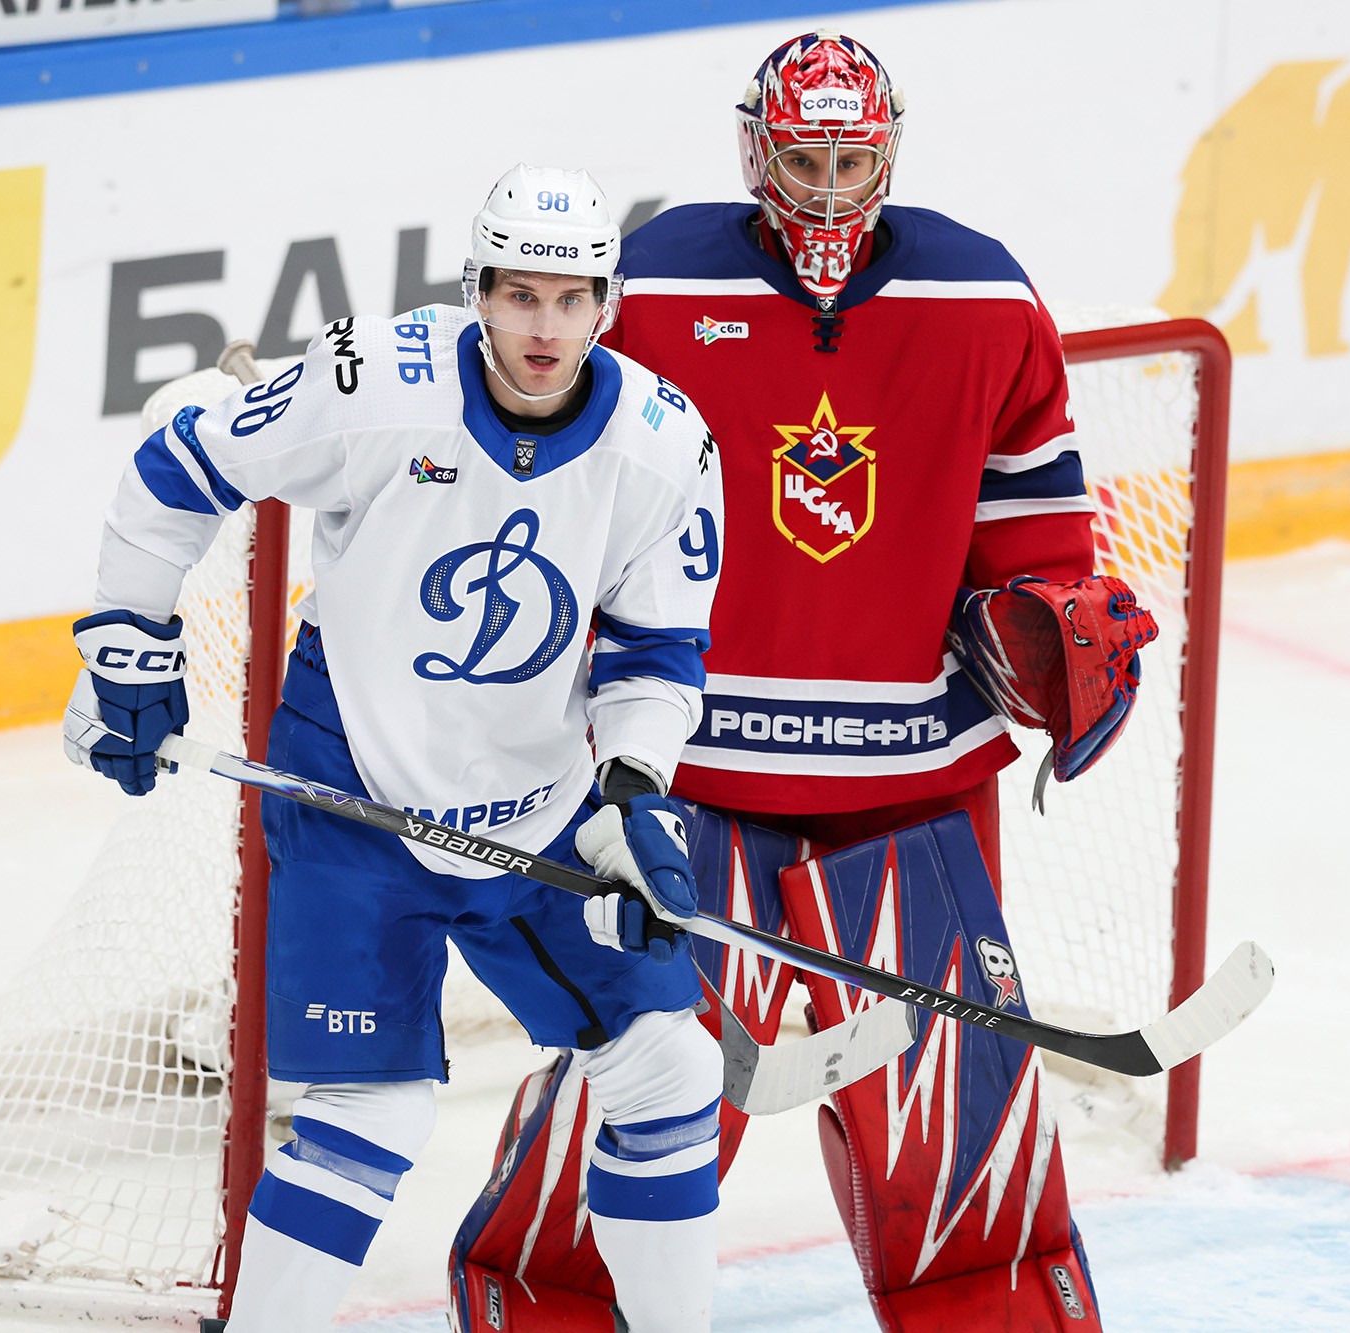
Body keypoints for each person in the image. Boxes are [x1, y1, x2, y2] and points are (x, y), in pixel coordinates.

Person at [452, 32, 1155, 1332]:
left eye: (849, 161)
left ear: (886, 153)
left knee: (958, 1151)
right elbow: (546, 473)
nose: (827, 190)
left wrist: (1046, 624)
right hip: (685, 783)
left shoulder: (985, 298)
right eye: (802, 159)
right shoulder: (656, 283)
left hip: (912, 794)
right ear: (753, 150)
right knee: (628, 1117)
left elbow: (1036, 533)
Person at [62, 165, 728, 1333]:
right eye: (519, 296)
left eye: (570, 300)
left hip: (538, 808)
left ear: (606, 304)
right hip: (352, 798)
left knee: (671, 1070)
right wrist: (129, 644)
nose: (544, 328)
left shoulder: (663, 445)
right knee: (370, 1116)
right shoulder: (376, 381)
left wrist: (633, 793)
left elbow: (654, 651)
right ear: (477, 292)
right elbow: (181, 463)